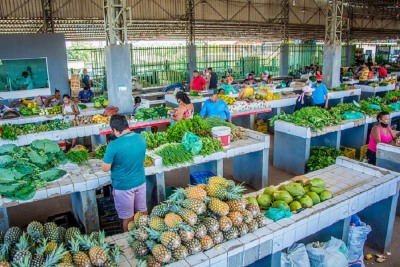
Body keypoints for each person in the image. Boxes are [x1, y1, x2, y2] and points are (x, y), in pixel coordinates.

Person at [102, 114, 147, 231]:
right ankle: (145, 234)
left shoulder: (113, 146)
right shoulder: (141, 138)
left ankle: (128, 241)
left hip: (124, 187)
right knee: (142, 212)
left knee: (128, 218)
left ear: (114, 130)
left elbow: (105, 168)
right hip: (140, 182)